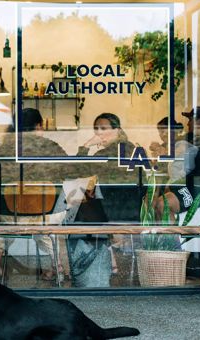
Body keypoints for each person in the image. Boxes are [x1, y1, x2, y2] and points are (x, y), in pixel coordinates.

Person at [0, 108, 70, 282]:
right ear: (39, 126)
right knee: (48, 225)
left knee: (4, 230)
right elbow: (69, 171)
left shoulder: (4, 148)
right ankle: (57, 267)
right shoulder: (51, 147)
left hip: (10, 215)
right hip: (47, 215)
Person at [73, 113, 137, 279]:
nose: (99, 133)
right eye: (96, 129)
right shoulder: (129, 147)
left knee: (76, 199)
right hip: (129, 208)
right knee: (82, 197)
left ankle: (64, 259)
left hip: (114, 210)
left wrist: (87, 145)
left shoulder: (107, 153)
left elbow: (76, 170)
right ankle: (110, 254)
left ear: (116, 130)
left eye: (103, 129)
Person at [148, 117, 198, 222]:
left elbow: (178, 163)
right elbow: (159, 171)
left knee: (162, 204)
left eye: (165, 130)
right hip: (169, 188)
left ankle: (171, 238)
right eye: (160, 131)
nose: (162, 134)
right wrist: (154, 163)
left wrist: (163, 153)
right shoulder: (165, 147)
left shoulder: (182, 144)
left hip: (184, 189)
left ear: (174, 130)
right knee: (151, 204)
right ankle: (157, 237)